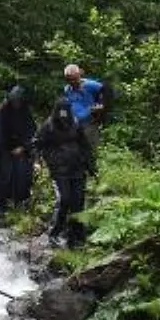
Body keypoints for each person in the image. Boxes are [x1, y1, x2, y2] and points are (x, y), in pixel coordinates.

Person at [32, 98, 96, 248]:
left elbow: (85, 146)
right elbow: (37, 144)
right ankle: (55, 233)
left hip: (77, 168)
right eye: (60, 112)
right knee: (64, 200)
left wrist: (91, 166)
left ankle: (76, 236)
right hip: (59, 170)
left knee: (78, 202)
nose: (63, 116)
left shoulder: (75, 123)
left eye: (65, 112)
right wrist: (37, 162)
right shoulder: (49, 126)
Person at [0, 85, 37, 211]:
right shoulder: (2, 112)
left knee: (23, 177)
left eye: (18, 101)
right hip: (4, 149)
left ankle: (20, 203)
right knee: (5, 177)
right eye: (14, 101)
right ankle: (1, 206)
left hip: (22, 149)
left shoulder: (25, 111)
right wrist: (6, 147)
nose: (16, 103)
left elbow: (31, 131)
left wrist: (23, 147)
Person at [62, 64, 109, 146]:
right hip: (75, 125)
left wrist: (101, 105)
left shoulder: (90, 85)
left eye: (74, 79)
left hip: (89, 123)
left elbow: (106, 91)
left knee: (92, 147)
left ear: (79, 75)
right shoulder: (67, 89)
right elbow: (66, 104)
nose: (72, 82)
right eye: (69, 80)